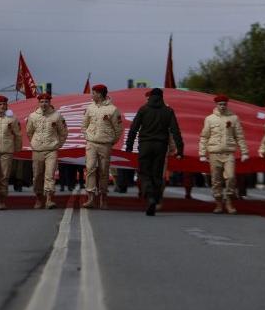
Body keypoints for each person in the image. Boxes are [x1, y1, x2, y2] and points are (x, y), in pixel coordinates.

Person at [126, 88, 184, 216]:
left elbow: (133, 128)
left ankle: (150, 196)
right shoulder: (168, 111)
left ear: (151, 97)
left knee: (144, 172)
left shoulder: (143, 109)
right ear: (162, 97)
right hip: (161, 146)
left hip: (145, 145)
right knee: (157, 174)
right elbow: (175, 131)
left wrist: (129, 146)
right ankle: (156, 198)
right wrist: (180, 149)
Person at [198, 94, 247, 215]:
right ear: (216, 105)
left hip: (229, 153)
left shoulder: (234, 118)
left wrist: (244, 152)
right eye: (220, 104)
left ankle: (229, 201)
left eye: (224, 104)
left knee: (230, 177)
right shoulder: (209, 119)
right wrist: (202, 154)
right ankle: (218, 203)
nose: (222, 106)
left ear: (227, 104)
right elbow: (204, 137)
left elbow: (240, 136)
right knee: (216, 179)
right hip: (214, 153)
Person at [81, 84, 123, 209]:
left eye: (93, 93)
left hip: (105, 144)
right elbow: (84, 124)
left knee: (104, 171)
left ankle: (103, 198)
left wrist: (111, 141)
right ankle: (91, 198)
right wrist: (87, 136)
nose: (92, 95)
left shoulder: (113, 109)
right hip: (91, 143)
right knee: (90, 168)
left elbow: (118, 129)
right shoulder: (90, 108)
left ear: (99, 94)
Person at [26, 92, 68, 209]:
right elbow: (29, 132)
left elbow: (63, 132)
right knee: (37, 175)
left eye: (46, 102)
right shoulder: (33, 116)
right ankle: (39, 198)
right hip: (37, 150)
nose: (44, 104)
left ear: (50, 102)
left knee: (49, 175)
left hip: (51, 150)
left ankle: (49, 199)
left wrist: (58, 144)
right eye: (42, 102)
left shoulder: (57, 116)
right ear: (38, 103)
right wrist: (34, 143)